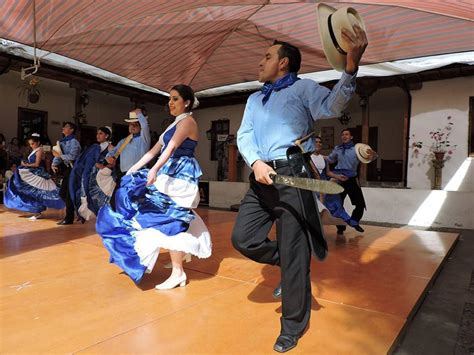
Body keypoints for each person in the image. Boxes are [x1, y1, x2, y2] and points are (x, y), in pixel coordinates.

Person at [231, 24, 367, 352]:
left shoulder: (304, 89)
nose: (259, 62)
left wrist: (349, 69)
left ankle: (292, 325)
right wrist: (255, 162)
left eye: (267, 57)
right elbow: (244, 135)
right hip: (262, 178)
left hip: (294, 177)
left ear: (283, 63)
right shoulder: (253, 98)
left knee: (294, 250)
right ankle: (290, 262)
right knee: (242, 239)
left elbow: (333, 108)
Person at [96, 85, 211, 289]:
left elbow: (172, 147)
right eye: (169, 99)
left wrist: (154, 170)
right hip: (168, 173)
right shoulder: (174, 124)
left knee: (172, 219)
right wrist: (134, 168)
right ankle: (177, 262)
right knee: (165, 217)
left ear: (187, 102)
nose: (170, 103)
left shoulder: (188, 122)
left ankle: (178, 273)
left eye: (175, 99)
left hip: (180, 176)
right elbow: (154, 151)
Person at [326, 128, 375, 237]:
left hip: (351, 178)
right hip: (338, 178)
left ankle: (354, 221)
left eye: (347, 134)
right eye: (342, 134)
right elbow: (329, 160)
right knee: (337, 203)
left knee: (360, 203)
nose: (344, 136)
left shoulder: (357, 150)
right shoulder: (337, 149)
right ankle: (340, 226)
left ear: (351, 137)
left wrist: (372, 154)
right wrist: (317, 156)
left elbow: (371, 158)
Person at [4, 133, 64, 220]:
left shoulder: (40, 150)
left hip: (36, 173)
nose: (31, 145)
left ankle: (38, 212)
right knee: (29, 191)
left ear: (38, 142)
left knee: (36, 192)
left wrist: (26, 164)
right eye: (30, 144)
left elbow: (36, 164)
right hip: (32, 172)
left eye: (33, 143)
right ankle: (36, 211)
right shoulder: (35, 150)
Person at [310, 135, 364, 231]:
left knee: (336, 200)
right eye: (316, 142)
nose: (318, 144)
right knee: (323, 202)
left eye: (320, 142)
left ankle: (348, 221)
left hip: (324, 184)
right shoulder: (308, 158)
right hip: (313, 185)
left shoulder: (324, 159)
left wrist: (338, 176)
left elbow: (328, 172)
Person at [105, 108, 151, 208]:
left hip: (137, 175)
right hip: (123, 175)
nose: (132, 127)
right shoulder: (123, 141)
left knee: (134, 202)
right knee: (116, 201)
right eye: (131, 124)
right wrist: (108, 157)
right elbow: (112, 152)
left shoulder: (143, 139)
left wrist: (139, 113)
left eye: (135, 124)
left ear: (140, 126)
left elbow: (145, 126)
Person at [69, 126, 116, 222]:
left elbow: (113, 163)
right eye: (97, 133)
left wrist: (103, 167)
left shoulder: (111, 148)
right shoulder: (94, 147)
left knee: (100, 197)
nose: (98, 136)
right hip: (91, 175)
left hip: (102, 177)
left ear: (107, 136)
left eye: (101, 133)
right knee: (86, 194)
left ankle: (105, 217)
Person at [51, 122, 82, 225]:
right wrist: (54, 164)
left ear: (72, 130)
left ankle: (69, 218)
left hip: (73, 169)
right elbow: (57, 154)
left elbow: (73, 156)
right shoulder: (62, 141)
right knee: (62, 193)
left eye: (66, 127)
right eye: (63, 127)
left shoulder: (74, 142)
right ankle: (76, 208)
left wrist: (60, 157)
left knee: (68, 194)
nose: (63, 128)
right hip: (66, 169)